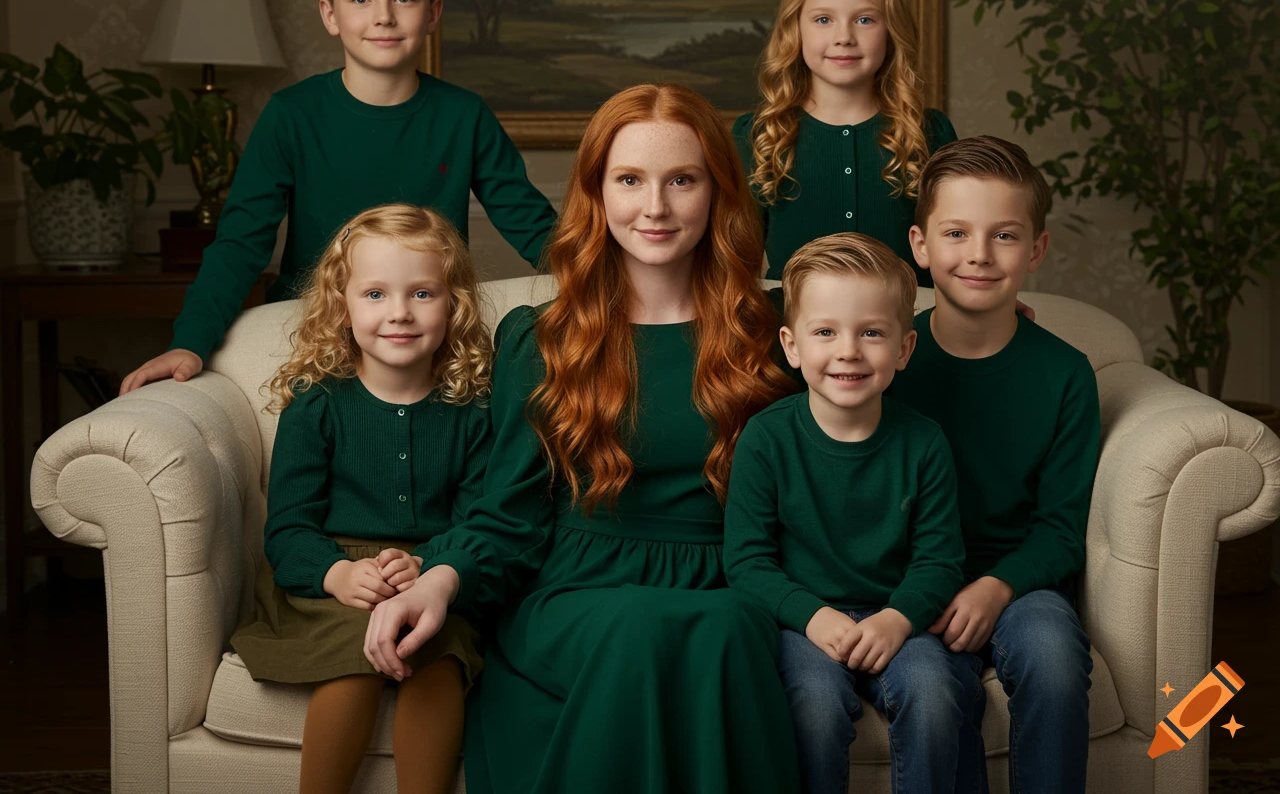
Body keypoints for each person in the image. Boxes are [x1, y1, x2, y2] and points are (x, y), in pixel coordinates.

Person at [362, 83, 802, 794]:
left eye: (681, 180)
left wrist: (982, 314)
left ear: (718, 191)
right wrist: (442, 579)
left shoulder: (780, 333)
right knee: (636, 628)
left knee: (720, 629)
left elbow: (878, 402)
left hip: (726, 579)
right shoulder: (540, 340)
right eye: (629, 180)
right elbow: (507, 513)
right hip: (575, 586)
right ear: (596, 193)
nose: (654, 207)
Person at [120, 0, 557, 394]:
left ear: (432, 13)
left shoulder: (465, 116)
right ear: (331, 14)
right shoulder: (290, 115)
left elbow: (534, 225)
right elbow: (240, 244)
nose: (384, 16)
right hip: (313, 341)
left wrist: (618, 279)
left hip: (428, 342)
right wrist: (191, 341)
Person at [229, 204, 491, 794]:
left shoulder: (473, 411)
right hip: (332, 581)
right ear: (341, 305)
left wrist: (428, 564)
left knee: (438, 653)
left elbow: (479, 519)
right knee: (355, 656)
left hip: (430, 570)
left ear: (454, 304)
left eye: (422, 293)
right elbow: (289, 530)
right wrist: (336, 574)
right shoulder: (316, 405)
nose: (399, 312)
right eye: (375, 294)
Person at [893, 135, 1099, 794]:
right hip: (908, 581)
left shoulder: (1064, 373)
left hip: (1019, 581)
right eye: (956, 233)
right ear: (921, 246)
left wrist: (998, 587)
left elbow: (1062, 527)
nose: (979, 255)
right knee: (928, 684)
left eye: (1004, 236)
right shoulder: (883, 362)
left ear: (1036, 249)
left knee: (1054, 656)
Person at [725, 232, 967, 794]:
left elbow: (939, 561)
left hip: (895, 619)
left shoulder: (924, 444)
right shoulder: (766, 439)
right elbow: (746, 560)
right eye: (825, 332)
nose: (849, 351)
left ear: (904, 349)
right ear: (791, 345)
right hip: (804, 623)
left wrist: (898, 619)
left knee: (933, 696)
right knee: (812, 706)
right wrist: (813, 617)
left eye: (872, 333)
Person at [734, 0, 958, 284]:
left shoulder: (931, 133)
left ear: (892, 29)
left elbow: (958, 245)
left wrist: (985, 305)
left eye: (865, 19)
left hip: (910, 329)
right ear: (796, 28)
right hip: (793, 331)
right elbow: (737, 268)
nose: (844, 37)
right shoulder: (757, 138)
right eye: (823, 19)